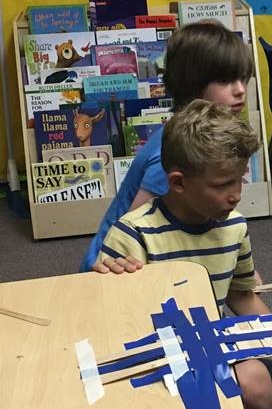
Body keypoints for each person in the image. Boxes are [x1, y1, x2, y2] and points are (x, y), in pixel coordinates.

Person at [95, 99, 272, 409]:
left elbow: (242, 296)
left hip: (213, 347)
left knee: (264, 387)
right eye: (221, 185)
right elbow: (114, 321)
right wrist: (107, 281)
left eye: (239, 180)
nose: (235, 196)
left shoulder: (234, 227)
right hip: (156, 357)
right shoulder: (132, 233)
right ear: (178, 182)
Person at [82, 22, 251, 272]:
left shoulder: (183, 131)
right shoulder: (182, 152)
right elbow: (136, 229)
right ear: (193, 84)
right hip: (114, 267)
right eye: (226, 81)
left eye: (243, 78)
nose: (240, 90)